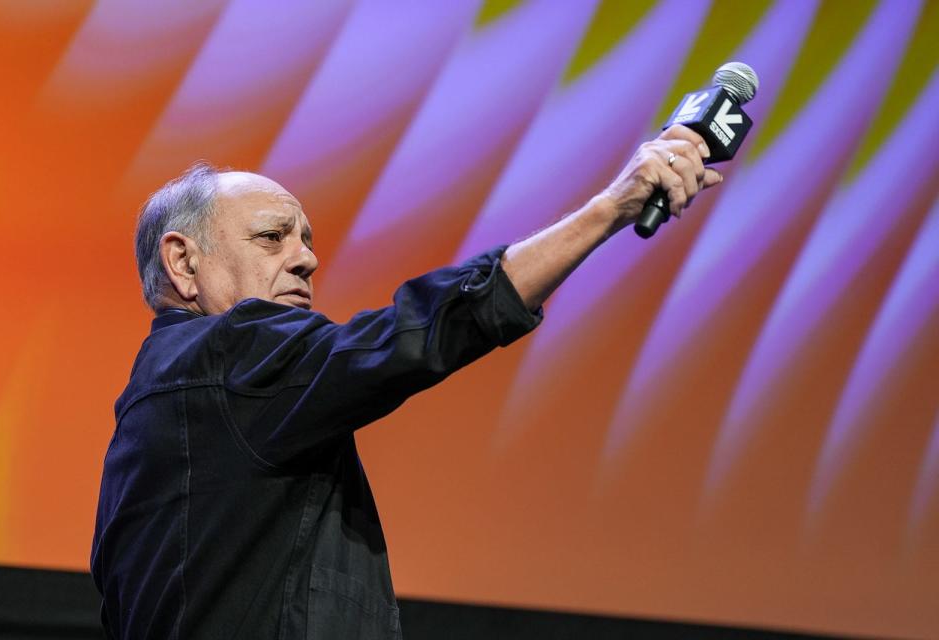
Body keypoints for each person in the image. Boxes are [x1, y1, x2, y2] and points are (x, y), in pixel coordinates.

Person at [90, 125, 720, 639]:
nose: (306, 257)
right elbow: (412, 335)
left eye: (305, 240)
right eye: (270, 237)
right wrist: (608, 209)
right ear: (183, 262)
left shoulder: (161, 417)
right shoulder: (227, 359)